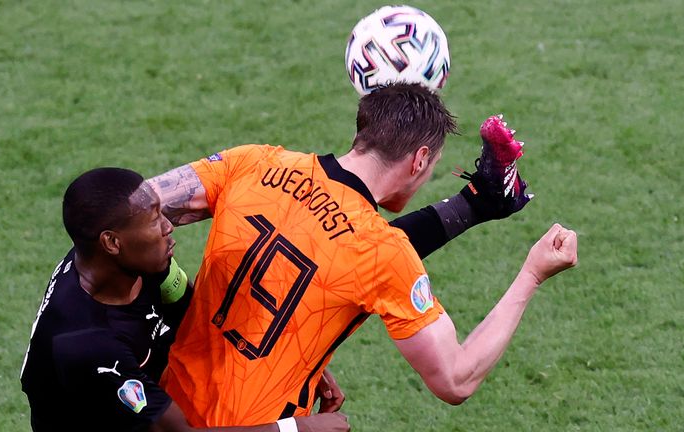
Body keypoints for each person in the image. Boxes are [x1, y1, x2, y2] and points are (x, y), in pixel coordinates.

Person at [145, 82, 577, 427]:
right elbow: (455, 378)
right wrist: (531, 275)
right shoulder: (383, 254)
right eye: (431, 167)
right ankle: (483, 201)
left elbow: (133, 206)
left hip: (164, 414)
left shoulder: (252, 163)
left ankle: (481, 201)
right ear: (419, 159)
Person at [19, 168, 350, 432]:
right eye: (153, 221)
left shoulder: (129, 263)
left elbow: (194, 311)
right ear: (112, 242)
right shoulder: (88, 343)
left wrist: (292, 365)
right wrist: (297, 428)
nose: (168, 227)